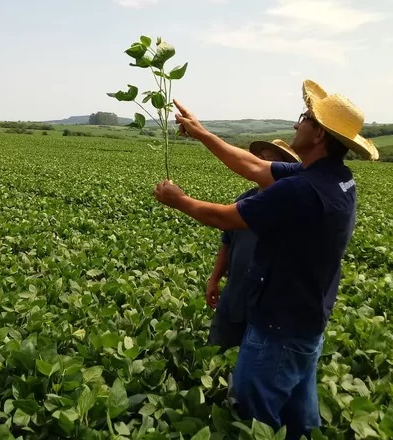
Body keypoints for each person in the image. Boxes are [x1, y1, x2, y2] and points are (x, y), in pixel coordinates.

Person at [152, 79, 378, 439]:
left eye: (304, 117)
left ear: (319, 134)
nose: (296, 124)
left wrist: (178, 199)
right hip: (305, 321)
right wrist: (202, 133)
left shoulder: (304, 191)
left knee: (255, 414)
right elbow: (255, 166)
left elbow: (226, 218)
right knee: (299, 420)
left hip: (279, 326)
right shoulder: (333, 177)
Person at [207, 139, 299, 352]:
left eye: (271, 161)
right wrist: (214, 279)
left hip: (266, 301)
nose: (262, 163)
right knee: (216, 349)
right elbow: (227, 242)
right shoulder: (245, 199)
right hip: (234, 291)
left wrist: (180, 201)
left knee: (251, 357)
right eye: (261, 158)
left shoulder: (290, 203)